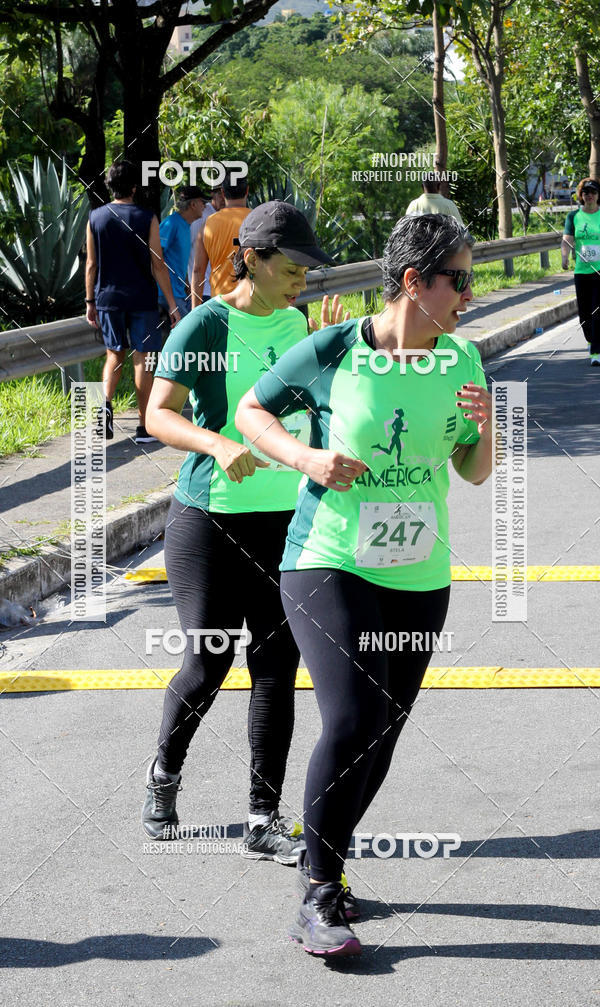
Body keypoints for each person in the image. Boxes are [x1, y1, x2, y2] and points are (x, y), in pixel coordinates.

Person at [236, 213, 492, 956]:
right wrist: (305, 459)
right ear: (414, 282)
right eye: (459, 281)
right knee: (352, 719)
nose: (468, 296)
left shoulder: (463, 359)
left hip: (419, 571)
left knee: (382, 732)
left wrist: (487, 428)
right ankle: (318, 894)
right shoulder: (336, 349)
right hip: (329, 558)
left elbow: (473, 471)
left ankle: (327, 864)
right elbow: (252, 410)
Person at [141, 201, 347, 866]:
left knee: (276, 667)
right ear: (251, 259)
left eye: (307, 273)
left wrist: (332, 361)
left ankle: (263, 816)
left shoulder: (301, 324)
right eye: (291, 270)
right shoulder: (205, 324)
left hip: (285, 521)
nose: (301, 283)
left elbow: (315, 411)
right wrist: (216, 442)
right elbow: (157, 414)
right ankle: (164, 773)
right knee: (208, 662)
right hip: (209, 520)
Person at [85, 160, 180, 444]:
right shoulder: (147, 217)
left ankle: (104, 405)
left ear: (110, 187)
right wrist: (173, 304)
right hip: (142, 299)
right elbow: (158, 264)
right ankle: (145, 427)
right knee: (143, 360)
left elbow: (91, 264)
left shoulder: (96, 218)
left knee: (114, 355)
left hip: (108, 298)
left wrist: (90, 301)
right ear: (134, 188)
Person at [191, 172, 251, 305]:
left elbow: (198, 270)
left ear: (223, 192)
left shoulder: (208, 225)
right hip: (252, 302)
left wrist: (195, 309)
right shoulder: (258, 220)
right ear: (247, 190)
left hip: (220, 303)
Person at [157, 185, 208, 331]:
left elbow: (176, 261)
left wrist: (186, 284)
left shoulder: (186, 226)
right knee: (190, 333)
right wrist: (170, 300)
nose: (205, 206)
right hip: (168, 295)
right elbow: (155, 255)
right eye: (202, 202)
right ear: (193, 204)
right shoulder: (171, 223)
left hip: (179, 294)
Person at [561, 177, 600, 366]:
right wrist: (564, 257)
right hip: (581, 272)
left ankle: (596, 352)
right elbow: (567, 239)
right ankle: (591, 341)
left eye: (593, 192)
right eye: (586, 192)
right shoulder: (573, 217)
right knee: (584, 316)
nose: (589, 195)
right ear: (581, 195)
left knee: (597, 312)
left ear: (598, 195)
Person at [188, 195, 216, 305]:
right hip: (202, 290)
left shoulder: (226, 215)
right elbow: (187, 246)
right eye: (219, 193)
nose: (222, 198)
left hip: (219, 289)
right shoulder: (202, 214)